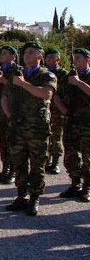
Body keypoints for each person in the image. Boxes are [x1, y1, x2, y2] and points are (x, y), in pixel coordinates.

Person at [3, 42, 56, 216]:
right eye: (25, 52)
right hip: (18, 126)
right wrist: (10, 115)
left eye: (32, 52)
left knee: (37, 165)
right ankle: (21, 195)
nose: (27, 55)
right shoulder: (17, 74)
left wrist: (23, 84)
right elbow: (4, 97)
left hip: (37, 128)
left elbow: (46, 94)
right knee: (19, 162)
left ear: (40, 56)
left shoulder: (47, 75)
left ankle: (34, 197)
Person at [55, 48, 90, 202]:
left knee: (88, 156)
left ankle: (87, 187)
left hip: (87, 123)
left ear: (87, 60)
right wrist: (63, 110)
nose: (75, 61)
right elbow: (57, 95)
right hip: (71, 121)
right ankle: (75, 184)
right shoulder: (68, 77)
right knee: (70, 155)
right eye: (74, 58)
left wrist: (78, 83)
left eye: (78, 58)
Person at [0, 45, 22, 184]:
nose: (1, 55)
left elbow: (20, 88)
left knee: (13, 143)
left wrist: (4, 81)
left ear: (13, 56)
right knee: (3, 142)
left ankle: (13, 171)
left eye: (5, 53)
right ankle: (5, 169)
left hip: (11, 110)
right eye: (1, 53)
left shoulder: (18, 71)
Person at [44, 48, 68, 174]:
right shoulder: (43, 72)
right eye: (47, 57)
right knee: (45, 134)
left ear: (57, 59)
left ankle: (55, 162)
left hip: (57, 108)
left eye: (51, 57)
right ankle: (46, 160)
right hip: (44, 108)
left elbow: (65, 91)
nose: (48, 60)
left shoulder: (63, 74)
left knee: (56, 135)